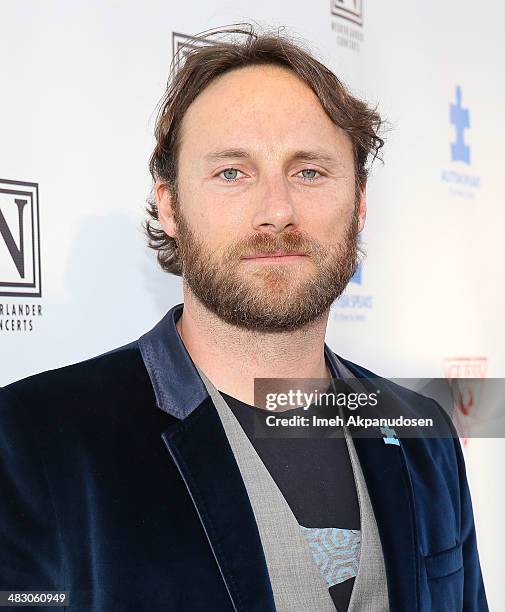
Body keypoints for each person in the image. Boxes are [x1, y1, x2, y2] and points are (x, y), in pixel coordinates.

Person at [0, 24, 488, 611]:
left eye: (309, 171)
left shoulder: (422, 433)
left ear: (359, 206)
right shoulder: (30, 442)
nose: (277, 210)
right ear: (171, 205)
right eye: (232, 172)